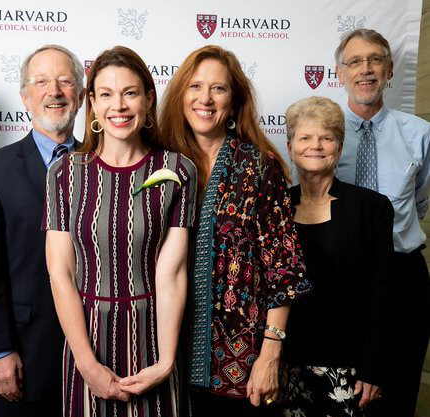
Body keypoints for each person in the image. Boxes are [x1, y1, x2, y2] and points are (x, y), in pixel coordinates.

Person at [43, 45, 197, 417]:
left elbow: (172, 272)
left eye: (129, 93)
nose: (119, 106)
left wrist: (165, 361)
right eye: (107, 94)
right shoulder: (65, 174)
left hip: (154, 339)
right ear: (92, 103)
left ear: (147, 99)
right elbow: (60, 273)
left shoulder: (178, 170)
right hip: (87, 340)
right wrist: (87, 365)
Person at [158, 45, 311, 415]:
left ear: (234, 99)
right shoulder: (158, 162)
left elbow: (283, 267)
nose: (205, 99)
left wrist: (271, 352)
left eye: (218, 89)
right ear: (180, 95)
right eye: (195, 87)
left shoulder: (258, 166)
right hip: (162, 353)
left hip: (240, 363)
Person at [0, 44, 85, 416]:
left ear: (80, 96)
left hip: (100, 350)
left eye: (65, 81)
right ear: (25, 97)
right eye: (42, 81)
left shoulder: (104, 164)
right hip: (25, 354)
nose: (54, 91)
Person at [334, 29, 430, 417]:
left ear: (390, 70)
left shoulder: (420, 133)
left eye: (375, 60)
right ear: (339, 73)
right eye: (355, 61)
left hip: (404, 276)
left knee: (399, 394)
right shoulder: (321, 134)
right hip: (343, 278)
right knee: (342, 394)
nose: (366, 70)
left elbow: (419, 201)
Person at [280, 96, 394, 416]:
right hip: (286, 364)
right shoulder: (275, 208)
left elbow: (382, 292)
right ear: (290, 147)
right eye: (305, 137)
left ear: (339, 148)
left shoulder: (372, 209)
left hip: (350, 369)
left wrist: (374, 367)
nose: (315, 145)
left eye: (326, 138)